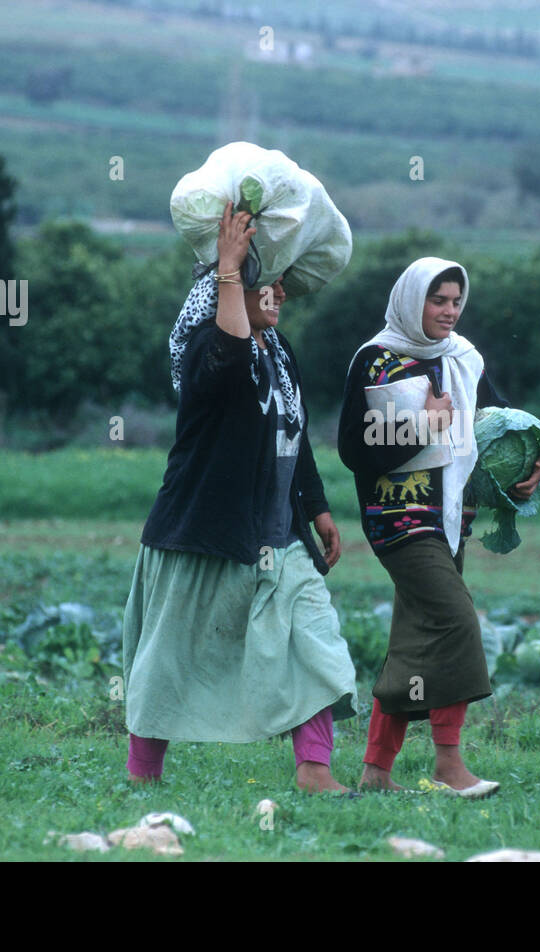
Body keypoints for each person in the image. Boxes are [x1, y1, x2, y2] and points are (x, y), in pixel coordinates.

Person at [121, 202, 358, 794]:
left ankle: (315, 773)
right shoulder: (210, 350)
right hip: (202, 531)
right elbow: (230, 358)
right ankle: (142, 776)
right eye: (264, 284)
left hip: (278, 536)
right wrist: (230, 266)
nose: (277, 294)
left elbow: (294, 439)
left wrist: (316, 508)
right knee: (168, 660)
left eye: (280, 283)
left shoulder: (279, 356)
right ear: (229, 290)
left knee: (314, 637)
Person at [337, 257, 540, 799]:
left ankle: (376, 773)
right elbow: (355, 453)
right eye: (438, 300)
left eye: (456, 301)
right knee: (457, 624)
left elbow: (500, 425)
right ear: (412, 302)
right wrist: (423, 427)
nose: (449, 311)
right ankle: (450, 767)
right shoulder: (377, 362)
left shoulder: (463, 360)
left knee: (413, 640)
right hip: (399, 522)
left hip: (452, 520)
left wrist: (529, 470)